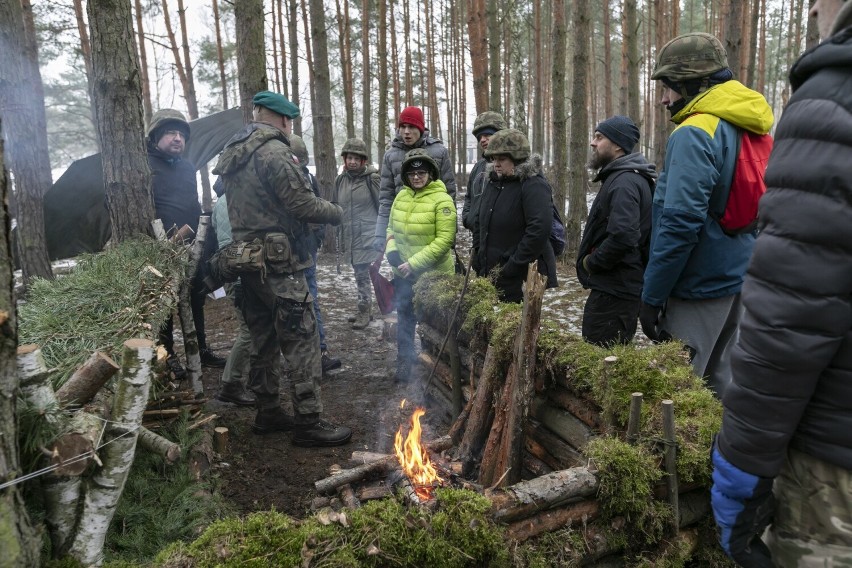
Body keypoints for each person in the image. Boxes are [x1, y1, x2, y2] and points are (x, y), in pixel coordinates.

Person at [711, 3, 852, 566]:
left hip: (834, 466)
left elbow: (789, 317)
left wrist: (740, 468)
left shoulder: (833, 99)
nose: (813, 6)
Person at [211, 91, 351, 446]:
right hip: (280, 265)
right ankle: (308, 422)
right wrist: (336, 212)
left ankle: (268, 410)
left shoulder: (233, 154)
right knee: (301, 338)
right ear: (284, 120)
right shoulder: (274, 152)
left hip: (245, 261)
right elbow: (300, 203)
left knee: (263, 340)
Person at [639, 33, 773, 396]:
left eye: (668, 87)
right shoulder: (750, 123)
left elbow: (679, 225)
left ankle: (682, 455)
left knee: (678, 395)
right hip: (739, 279)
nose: (664, 98)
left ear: (693, 83)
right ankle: (716, 453)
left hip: (698, 287)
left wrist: (652, 296)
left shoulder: (695, 131)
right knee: (722, 384)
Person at [147, 108, 227, 378]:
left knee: (195, 297)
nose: (178, 138)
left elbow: (192, 204)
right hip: (160, 247)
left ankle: (201, 349)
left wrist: (202, 242)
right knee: (166, 304)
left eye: (181, 134)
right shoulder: (145, 166)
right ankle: (167, 356)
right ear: (157, 135)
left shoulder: (186, 167)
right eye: (171, 132)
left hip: (191, 244)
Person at [576, 116, 655, 347]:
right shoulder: (623, 178)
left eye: (599, 138)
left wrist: (592, 262)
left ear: (618, 144)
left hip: (615, 292)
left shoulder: (625, 182)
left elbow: (624, 236)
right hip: (616, 289)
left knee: (601, 362)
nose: (593, 143)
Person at [385, 149, 456, 383]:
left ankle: (432, 368)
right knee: (405, 319)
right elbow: (390, 229)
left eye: (422, 172)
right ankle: (405, 363)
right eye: (412, 173)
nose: (417, 177)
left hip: (433, 277)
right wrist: (392, 251)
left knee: (431, 324)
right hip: (403, 274)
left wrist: (414, 264)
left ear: (431, 174)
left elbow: (445, 240)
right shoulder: (401, 197)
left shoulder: (442, 200)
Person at [472, 128, 557, 303]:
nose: (496, 164)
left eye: (502, 159)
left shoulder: (533, 185)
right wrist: (478, 256)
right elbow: (480, 221)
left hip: (520, 277)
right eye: (493, 158)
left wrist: (513, 266)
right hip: (491, 271)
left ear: (518, 159)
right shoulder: (493, 182)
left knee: (515, 326)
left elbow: (538, 231)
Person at [288, 134, 342, 374]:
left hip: (306, 249)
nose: (295, 161)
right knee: (289, 304)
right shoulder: (279, 180)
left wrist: (318, 235)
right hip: (285, 253)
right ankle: (295, 359)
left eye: (298, 157)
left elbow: (317, 207)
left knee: (312, 299)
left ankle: (320, 352)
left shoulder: (308, 178)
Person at [373, 106, 456, 253]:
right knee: (403, 273)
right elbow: (386, 199)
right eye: (402, 127)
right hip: (402, 233)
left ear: (421, 128)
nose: (406, 132)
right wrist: (380, 235)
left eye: (411, 127)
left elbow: (449, 194)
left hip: (431, 231)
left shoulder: (439, 152)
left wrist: (450, 234)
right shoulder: (390, 156)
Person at [210, 179, 254, 407]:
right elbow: (229, 246)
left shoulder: (235, 199)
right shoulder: (228, 202)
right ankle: (231, 384)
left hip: (244, 275)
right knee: (249, 332)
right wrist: (238, 281)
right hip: (238, 277)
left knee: (255, 330)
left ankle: (245, 380)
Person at [335, 138, 381, 330]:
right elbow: (337, 206)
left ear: (363, 160)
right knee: (358, 272)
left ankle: (364, 310)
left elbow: (382, 207)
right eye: (349, 157)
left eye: (356, 158)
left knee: (362, 273)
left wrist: (383, 235)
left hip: (367, 235)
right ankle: (365, 309)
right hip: (350, 235)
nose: (352, 161)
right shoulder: (341, 180)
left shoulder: (372, 178)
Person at [462, 111, 507, 232]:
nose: (482, 140)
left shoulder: (514, 166)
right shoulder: (478, 167)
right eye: (479, 137)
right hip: (478, 238)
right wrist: (468, 219)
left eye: (487, 135)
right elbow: (469, 197)